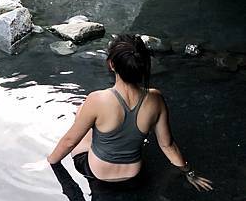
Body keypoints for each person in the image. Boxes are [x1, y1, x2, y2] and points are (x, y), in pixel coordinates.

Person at [47, 34, 212, 191]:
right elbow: (167, 145)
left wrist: (50, 162)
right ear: (145, 66)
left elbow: (69, 142)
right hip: (134, 177)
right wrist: (189, 173)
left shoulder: (97, 99)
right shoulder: (156, 99)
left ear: (112, 64)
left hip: (97, 174)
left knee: (82, 113)